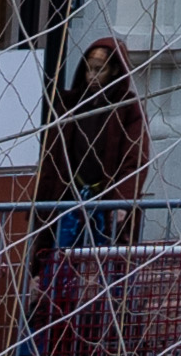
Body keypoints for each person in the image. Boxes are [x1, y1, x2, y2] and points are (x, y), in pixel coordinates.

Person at [39, 41, 146, 255]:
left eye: (100, 69)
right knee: (60, 261)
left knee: (105, 264)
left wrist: (122, 201)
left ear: (115, 70)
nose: (92, 76)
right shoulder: (70, 105)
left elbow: (135, 160)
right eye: (89, 69)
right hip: (69, 199)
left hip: (106, 203)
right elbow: (52, 157)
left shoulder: (128, 108)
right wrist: (43, 200)